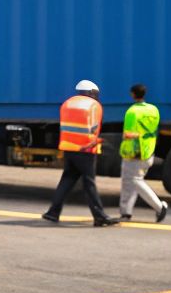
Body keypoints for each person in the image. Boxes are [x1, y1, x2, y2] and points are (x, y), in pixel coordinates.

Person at [42, 79, 117, 227]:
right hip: (86, 149)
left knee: (67, 180)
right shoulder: (93, 105)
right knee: (89, 183)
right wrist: (96, 141)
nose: (97, 96)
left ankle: (53, 212)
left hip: (69, 148)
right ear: (90, 93)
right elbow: (95, 127)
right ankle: (99, 216)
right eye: (95, 94)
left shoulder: (67, 103)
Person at [119, 83, 168, 222]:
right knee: (129, 181)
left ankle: (159, 207)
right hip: (148, 149)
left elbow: (128, 134)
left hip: (134, 151)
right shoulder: (153, 110)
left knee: (134, 180)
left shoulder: (132, 111)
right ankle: (126, 212)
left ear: (133, 94)